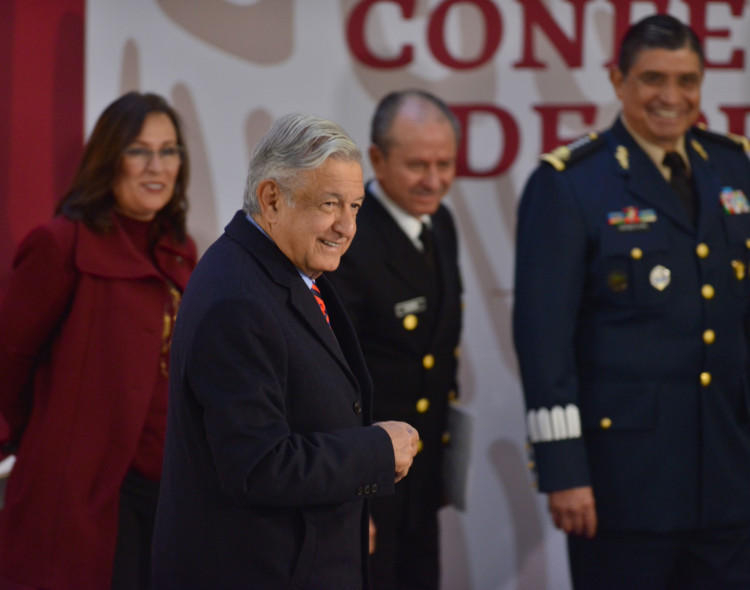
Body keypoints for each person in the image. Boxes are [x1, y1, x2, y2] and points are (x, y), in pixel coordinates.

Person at [514, 14, 750, 589]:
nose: (671, 98)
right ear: (618, 80)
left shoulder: (734, 166)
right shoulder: (570, 183)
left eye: (686, 80)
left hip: (729, 477)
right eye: (652, 79)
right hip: (624, 489)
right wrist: (563, 470)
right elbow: (545, 341)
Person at [150, 112, 420, 590]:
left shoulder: (281, 271)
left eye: (355, 206)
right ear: (271, 198)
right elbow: (257, 465)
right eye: (330, 204)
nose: (346, 226)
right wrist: (375, 450)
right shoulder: (237, 298)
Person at [0, 91, 197, 590]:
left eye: (169, 150)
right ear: (110, 158)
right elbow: (9, 364)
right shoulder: (61, 243)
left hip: (166, 495)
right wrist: (53, 438)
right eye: (139, 150)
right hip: (79, 494)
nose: (158, 165)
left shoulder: (181, 249)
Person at [328, 89, 463, 590]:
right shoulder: (350, 236)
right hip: (368, 482)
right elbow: (335, 380)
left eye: (445, 163)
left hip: (420, 480)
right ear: (379, 160)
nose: (434, 180)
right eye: (418, 165)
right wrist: (351, 500)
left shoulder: (440, 224)